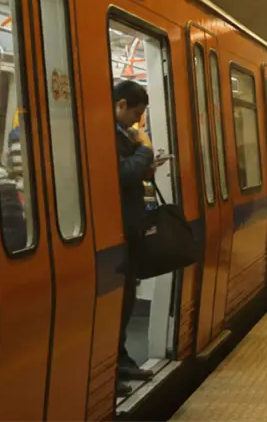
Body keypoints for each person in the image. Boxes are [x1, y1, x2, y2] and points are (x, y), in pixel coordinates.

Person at [114, 80, 157, 394]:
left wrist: (147, 167)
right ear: (120, 105)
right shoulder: (109, 134)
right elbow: (121, 173)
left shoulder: (120, 134)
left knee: (126, 298)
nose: (137, 122)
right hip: (116, 231)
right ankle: (114, 367)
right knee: (120, 299)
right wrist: (144, 148)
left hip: (126, 229)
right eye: (136, 113)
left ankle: (121, 359)